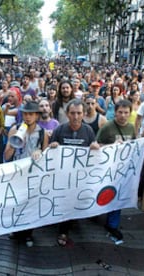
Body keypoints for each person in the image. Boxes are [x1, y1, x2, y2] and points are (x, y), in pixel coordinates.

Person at [49, 98, 100, 247]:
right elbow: (49, 152)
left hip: (80, 176)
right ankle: (63, 230)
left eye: (79, 113)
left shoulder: (88, 130)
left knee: (75, 201)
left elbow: (93, 148)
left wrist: (95, 146)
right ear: (67, 113)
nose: (76, 117)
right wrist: (53, 145)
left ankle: (73, 220)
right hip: (63, 176)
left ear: (84, 114)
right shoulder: (60, 129)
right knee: (64, 202)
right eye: (72, 113)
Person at [4, 101, 49, 247]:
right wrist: (14, 141)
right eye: (25, 114)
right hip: (17, 173)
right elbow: (6, 156)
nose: (27, 117)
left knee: (31, 204)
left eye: (31, 114)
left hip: (33, 174)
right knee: (16, 202)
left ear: (37, 115)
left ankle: (28, 233)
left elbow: (46, 157)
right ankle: (15, 229)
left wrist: (40, 152)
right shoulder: (14, 129)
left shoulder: (42, 133)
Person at [96, 100, 136, 242]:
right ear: (115, 112)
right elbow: (97, 145)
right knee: (103, 193)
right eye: (120, 112)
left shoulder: (131, 128)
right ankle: (95, 214)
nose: (123, 115)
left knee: (117, 195)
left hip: (123, 169)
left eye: (126, 113)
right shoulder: (107, 126)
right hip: (107, 169)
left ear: (130, 113)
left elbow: (134, 146)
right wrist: (111, 146)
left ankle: (112, 224)